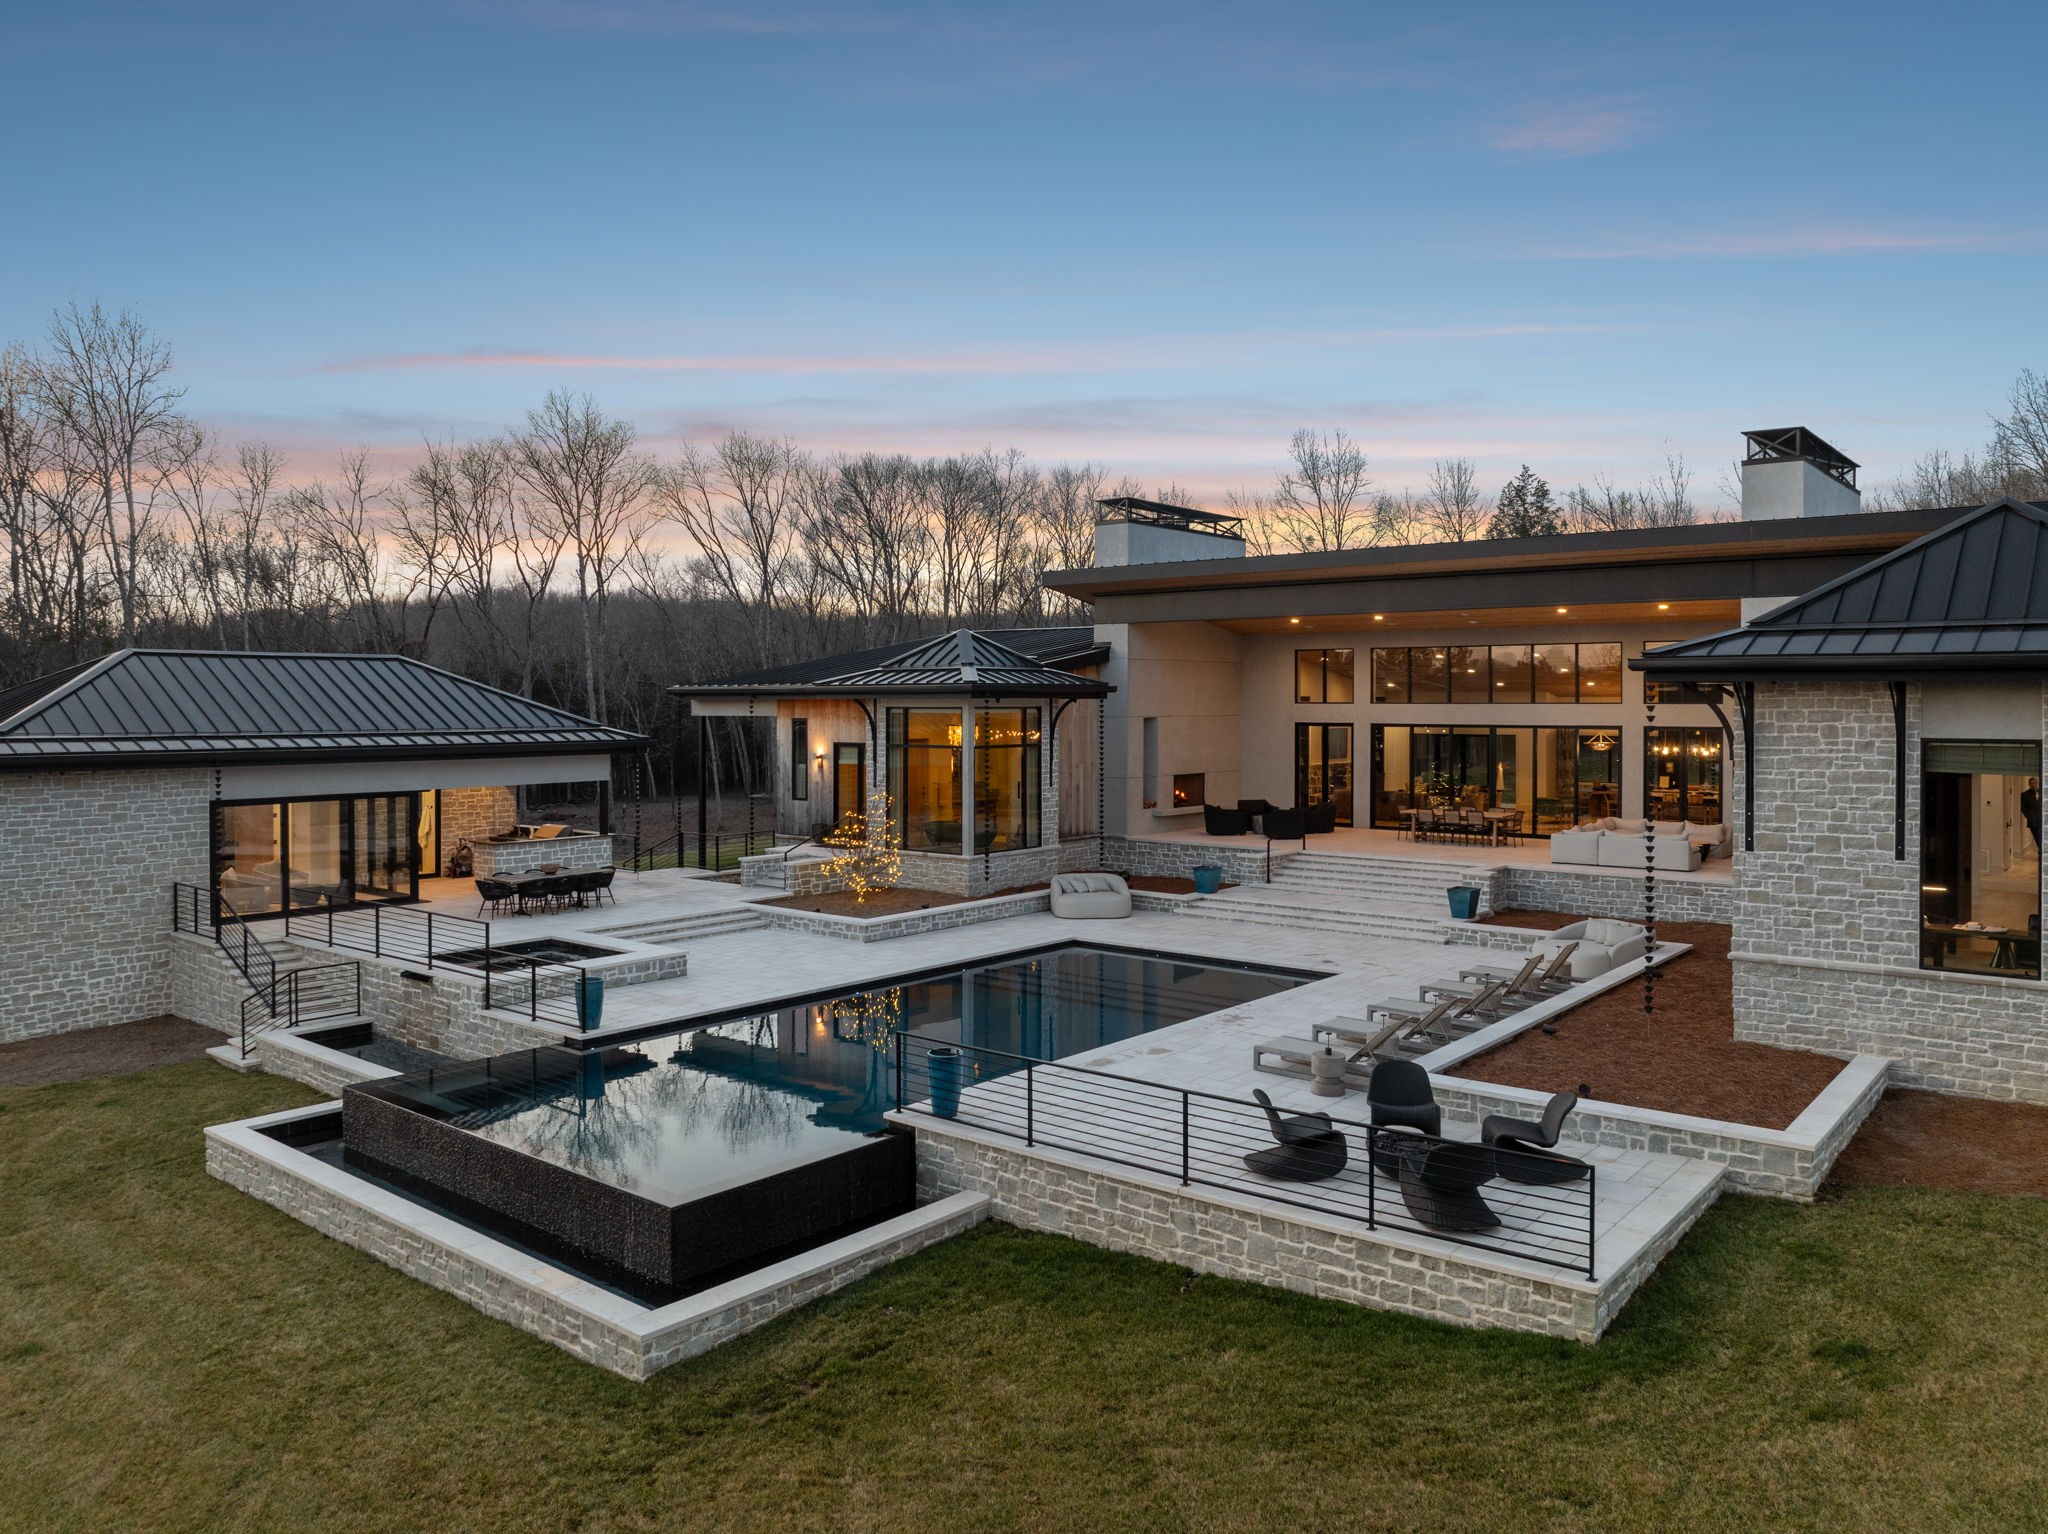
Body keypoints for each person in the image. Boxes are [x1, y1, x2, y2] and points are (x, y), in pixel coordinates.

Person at [2024, 777, 2041, 853]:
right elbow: (2023, 808)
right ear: (2029, 784)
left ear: (2037, 783)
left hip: (2043, 819)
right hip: (2033, 820)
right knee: (2037, 837)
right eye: (2031, 783)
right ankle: (2041, 852)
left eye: (2035, 783)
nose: (2033, 785)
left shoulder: (2043, 792)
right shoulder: (2025, 795)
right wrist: (2029, 815)